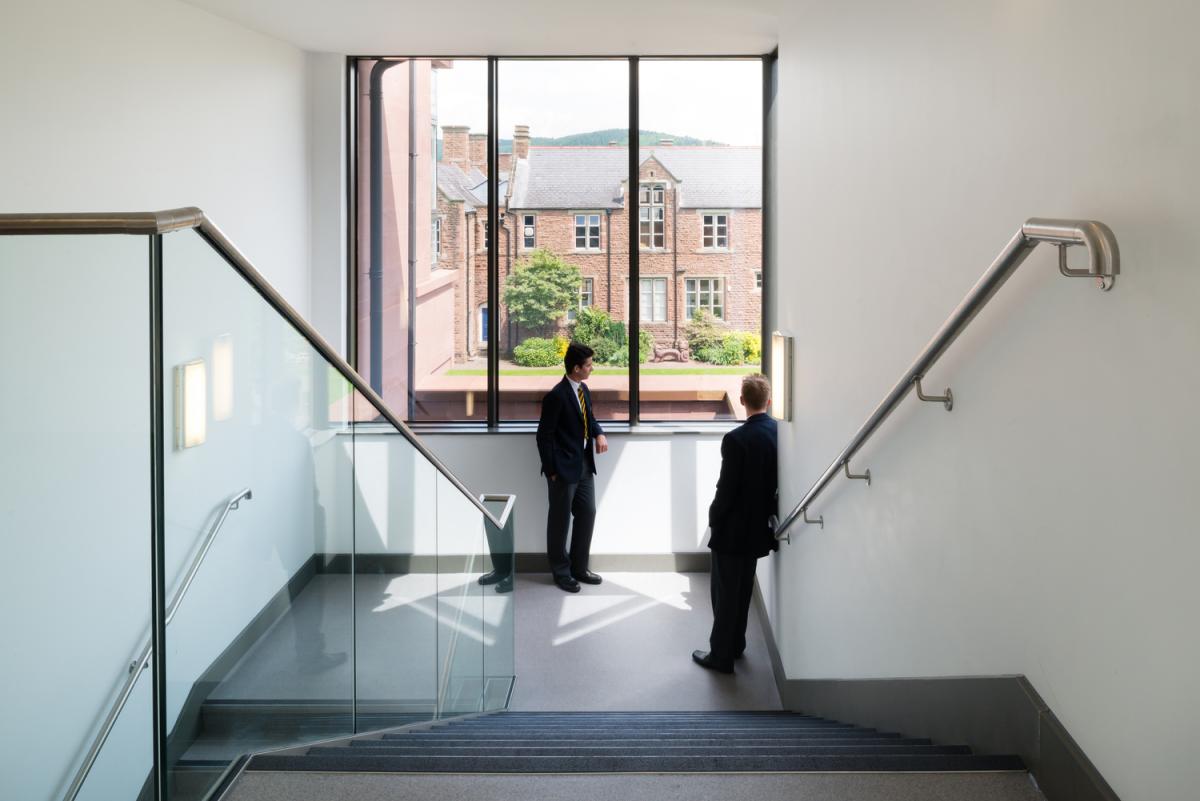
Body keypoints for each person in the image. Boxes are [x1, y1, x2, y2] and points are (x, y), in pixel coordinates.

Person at [693, 373, 778, 674]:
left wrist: (713, 516)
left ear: (742, 400)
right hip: (757, 528)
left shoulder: (735, 439)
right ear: (768, 401)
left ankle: (721, 655)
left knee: (724, 594)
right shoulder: (777, 432)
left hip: (732, 531)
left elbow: (725, 489)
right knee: (742, 592)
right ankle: (736, 644)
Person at [536, 342, 609, 592]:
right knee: (559, 522)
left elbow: (590, 417)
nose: (592, 368)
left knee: (587, 513)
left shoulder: (583, 389)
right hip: (563, 470)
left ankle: (579, 568)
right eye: (588, 365)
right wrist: (552, 470)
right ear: (576, 368)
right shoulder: (556, 396)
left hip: (585, 466)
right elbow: (543, 436)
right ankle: (561, 572)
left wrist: (599, 434)